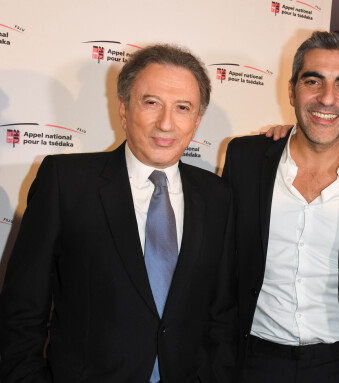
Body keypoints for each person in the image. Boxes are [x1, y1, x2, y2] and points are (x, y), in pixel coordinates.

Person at [0, 44, 237, 383]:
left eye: (182, 108)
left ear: (197, 121)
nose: (166, 123)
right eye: (151, 103)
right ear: (124, 109)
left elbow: (221, 314)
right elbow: (21, 310)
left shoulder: (217, 196)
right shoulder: (65, 182)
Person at [222, 31, 339, 382]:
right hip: (253, 359)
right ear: (292, 90)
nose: (327, 98)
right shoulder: (245, 158)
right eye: (313, 81)